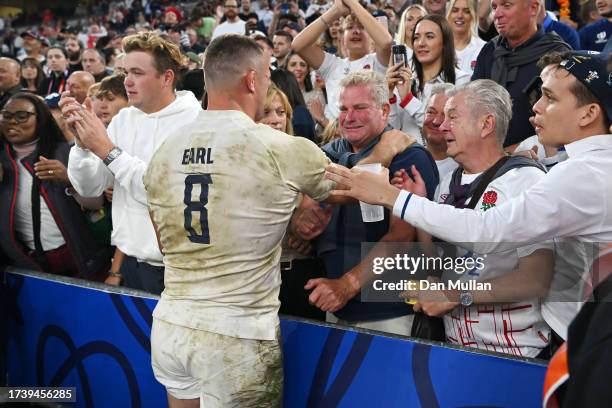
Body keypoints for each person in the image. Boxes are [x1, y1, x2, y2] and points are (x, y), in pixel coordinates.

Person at [325, 50, 612, 341]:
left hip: (520, 350)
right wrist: (421, 215)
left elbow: (519, 263)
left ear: (486, 124)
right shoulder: (450, 182)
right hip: (462, 343)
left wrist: (392, 197)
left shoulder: (544, 177)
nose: (441, 125)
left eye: (549, 97)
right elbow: (443, 261)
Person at [144, 34, 334, 407]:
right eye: (266, 75)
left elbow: (163, 240)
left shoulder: (165, 150)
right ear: (251, 79)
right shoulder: (280, 147)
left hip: (172, 321)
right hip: (236, 333)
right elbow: (355, 187)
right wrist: (394, 147)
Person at [61, 32, 202, 295]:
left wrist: (106, 149)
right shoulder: (123, 119)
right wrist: (82, 146)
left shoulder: (196, 122)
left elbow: (166, 195)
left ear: (167, 77)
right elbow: (90, 188)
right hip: (130, 262)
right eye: (126, 72)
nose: (127, 81)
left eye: (137, 73)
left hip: (177, 268)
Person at [303, 70, 439, 336]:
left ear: (385, 111)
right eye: (343, 108)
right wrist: (303, 214)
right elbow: (305, 190)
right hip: (335, 304)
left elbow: (402, 237)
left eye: (360, 107)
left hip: (389, 311)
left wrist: (346, 285)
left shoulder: (409, 156)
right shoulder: (330, 153)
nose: (349, 117)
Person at [0, 92, 110, 278]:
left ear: (41, 119)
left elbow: (95, 205)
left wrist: (69, 178)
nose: (13, 122)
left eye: (22, 116)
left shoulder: (65, 153)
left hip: (77, 255)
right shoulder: (3, 161)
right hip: (26, 262)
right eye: (6, 115)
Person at [471, 0, 569, 151]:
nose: (497, 14)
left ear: (533, 8)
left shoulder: (557, 55)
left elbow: (564, 124)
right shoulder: (490, 51)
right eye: (495, 7)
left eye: (507, 5)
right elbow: (472, 107)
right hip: (486, 158)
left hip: (540, 166)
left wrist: (513, 153)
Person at [292, 0, 393, 120]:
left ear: (372, 38)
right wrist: (335, 11)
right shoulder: (332, 65)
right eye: (350, 27)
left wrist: (352, 3)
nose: (356, 31)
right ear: (342, 38)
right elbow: (298, 45)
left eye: (362, 27)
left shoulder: (379, 62)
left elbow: (386, 42)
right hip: (337, 136)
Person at [386, 15, 470, 143]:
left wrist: (408, 100)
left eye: (429, 37)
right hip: (406, 159)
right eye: (416, 38)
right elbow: (392, 131)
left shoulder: (462, 81)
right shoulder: (404, 80)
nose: (421, 43)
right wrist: (390, 95)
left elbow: (443, 126)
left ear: (445, 42)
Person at [421, 83, 458, 180]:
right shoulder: (408, 157)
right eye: (431, 112)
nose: (436, 121)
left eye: (445, 115)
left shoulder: (463, 168)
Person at [446, 0, 486, 75]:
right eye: (455, 10)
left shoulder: (484, 48)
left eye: (466, 11)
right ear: (448, 14)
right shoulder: (439, 46)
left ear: (473, 15)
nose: (460, 16)